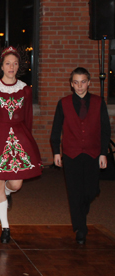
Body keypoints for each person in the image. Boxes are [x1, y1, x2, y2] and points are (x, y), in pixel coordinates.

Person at [0, 46, 42, 243]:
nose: (11, 67)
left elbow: (28, 117)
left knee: (16, 183)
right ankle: (5, 227)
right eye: (8, 63)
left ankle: (8, 193)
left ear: (19, 67)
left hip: (19, 137)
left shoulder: (25, 90)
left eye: (15, 64)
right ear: (1, 66)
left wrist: (28, 140)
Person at [50, 67, 111, 244]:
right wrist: (56, 152)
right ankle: (80, 228)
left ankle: (80, 213)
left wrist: (103, 153)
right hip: (71, 154)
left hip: (92, 153)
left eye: (83, 82)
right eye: (75, 82)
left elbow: (105, 130)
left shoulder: (99, 103)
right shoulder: (64, 103)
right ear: (71, 84)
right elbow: (56, 130)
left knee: (91, 191)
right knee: (74, 191)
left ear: (89, 82)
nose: (79, 86)